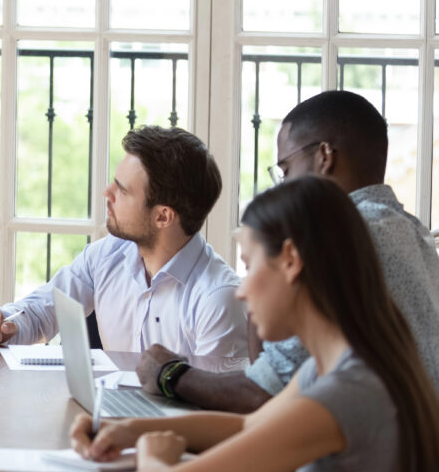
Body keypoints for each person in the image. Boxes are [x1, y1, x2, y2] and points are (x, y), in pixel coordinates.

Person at [72, 176, 439, 472]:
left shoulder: (345, 393)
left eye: (249, 266)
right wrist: (129, 429)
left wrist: (155, 454)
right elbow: (249, 426)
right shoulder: (339, 366)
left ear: (291, 260)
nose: (242, 291)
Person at [137, 90, 439, 412]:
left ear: (325, 157)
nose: (283, 187)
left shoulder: (340, 240)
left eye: (286, 171)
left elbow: (265, 393)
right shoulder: (415, 235)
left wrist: (170, 374)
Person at [0, 126, 247, 358]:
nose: (106, 193)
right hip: (108, 416)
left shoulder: (218, 299)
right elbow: (41, 314)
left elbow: (213, 408)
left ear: (163, 216)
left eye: (122, 190)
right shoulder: (107, 254)